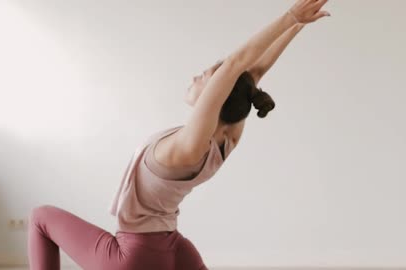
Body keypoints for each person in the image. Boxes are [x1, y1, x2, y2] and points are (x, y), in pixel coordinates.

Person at [27, 1, 330, 269]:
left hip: (134, 256)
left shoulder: (190, 145)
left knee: (41, 217)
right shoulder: (227, 139)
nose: (195, 76)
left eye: (205, 76)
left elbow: (237, 65)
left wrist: (290, 16)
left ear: (218, 93)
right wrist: (297, 27)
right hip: (175, 249)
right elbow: (252, 74)